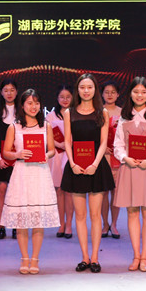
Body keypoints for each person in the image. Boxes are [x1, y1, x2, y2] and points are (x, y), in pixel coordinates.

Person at [112, 77, 146, 272]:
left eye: (144, 92)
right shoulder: (124, 117)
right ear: (130, 94)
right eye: (136, 91)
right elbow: (118, 145)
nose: (140, 95)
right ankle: (136, 255)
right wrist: (125, 158)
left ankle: (145, 256)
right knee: (132, 211)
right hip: (129, 168)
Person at [60, 74, 114, 273]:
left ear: (95, 90)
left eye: (89, 87)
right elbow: (67, 141)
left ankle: (95, 258)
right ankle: (84, 257)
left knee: (95, 215)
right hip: (76, 167)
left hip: (96, 167)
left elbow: (103, 142)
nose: (86, 91)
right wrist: (72, 163)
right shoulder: (69, 112)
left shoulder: (102, 112)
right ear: (78, 89)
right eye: (82, 87)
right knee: (80, 216)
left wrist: (95, 164)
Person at [1, 89, 59, 274]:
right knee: (22, 219)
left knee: (37, 218)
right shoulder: (14, 127)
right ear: (22, 105)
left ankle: (35, 259)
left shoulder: (46, 126)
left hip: (40, 174)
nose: (33, 107)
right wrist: (17, 154)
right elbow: (5, 152)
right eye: (29, 103)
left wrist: (46, 155)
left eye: (37, 103)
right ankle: (24, 258)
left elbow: (52, 150)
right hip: (22, 174)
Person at [0, 79, 18, 240]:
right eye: (6, 90)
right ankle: (1, 226)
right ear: (1, 92)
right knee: (1, 189)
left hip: (18, 159)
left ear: (17, 91)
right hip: (2, 159)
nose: (9, 93)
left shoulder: (22, 112)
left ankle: (15, 226)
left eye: (12, 90)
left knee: (16, 192)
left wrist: (19, 156)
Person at [45, 85, 74, 239]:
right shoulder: (50, 116)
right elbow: (46, 135)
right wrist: (59, 144)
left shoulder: (76, 114)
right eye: (62, 97)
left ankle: (69, 224)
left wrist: (68, 145)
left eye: (68, 97)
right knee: (59, 191)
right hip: (56, 155)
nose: (65, 100)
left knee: (69, 191)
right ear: (57, 98)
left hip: (71, 155)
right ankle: (61, 223)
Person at [101, 81, 121, 239]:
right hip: (102, 157)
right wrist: (101, 147)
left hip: (118, 157)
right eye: (107, 92)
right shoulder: (97, 111)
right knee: (103, 193)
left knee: (116, 193)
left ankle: (114, 224)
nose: (110, 95)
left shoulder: (124, 113)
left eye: (113, 92)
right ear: (102, 94)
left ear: (118, 94)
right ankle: (105, 224)